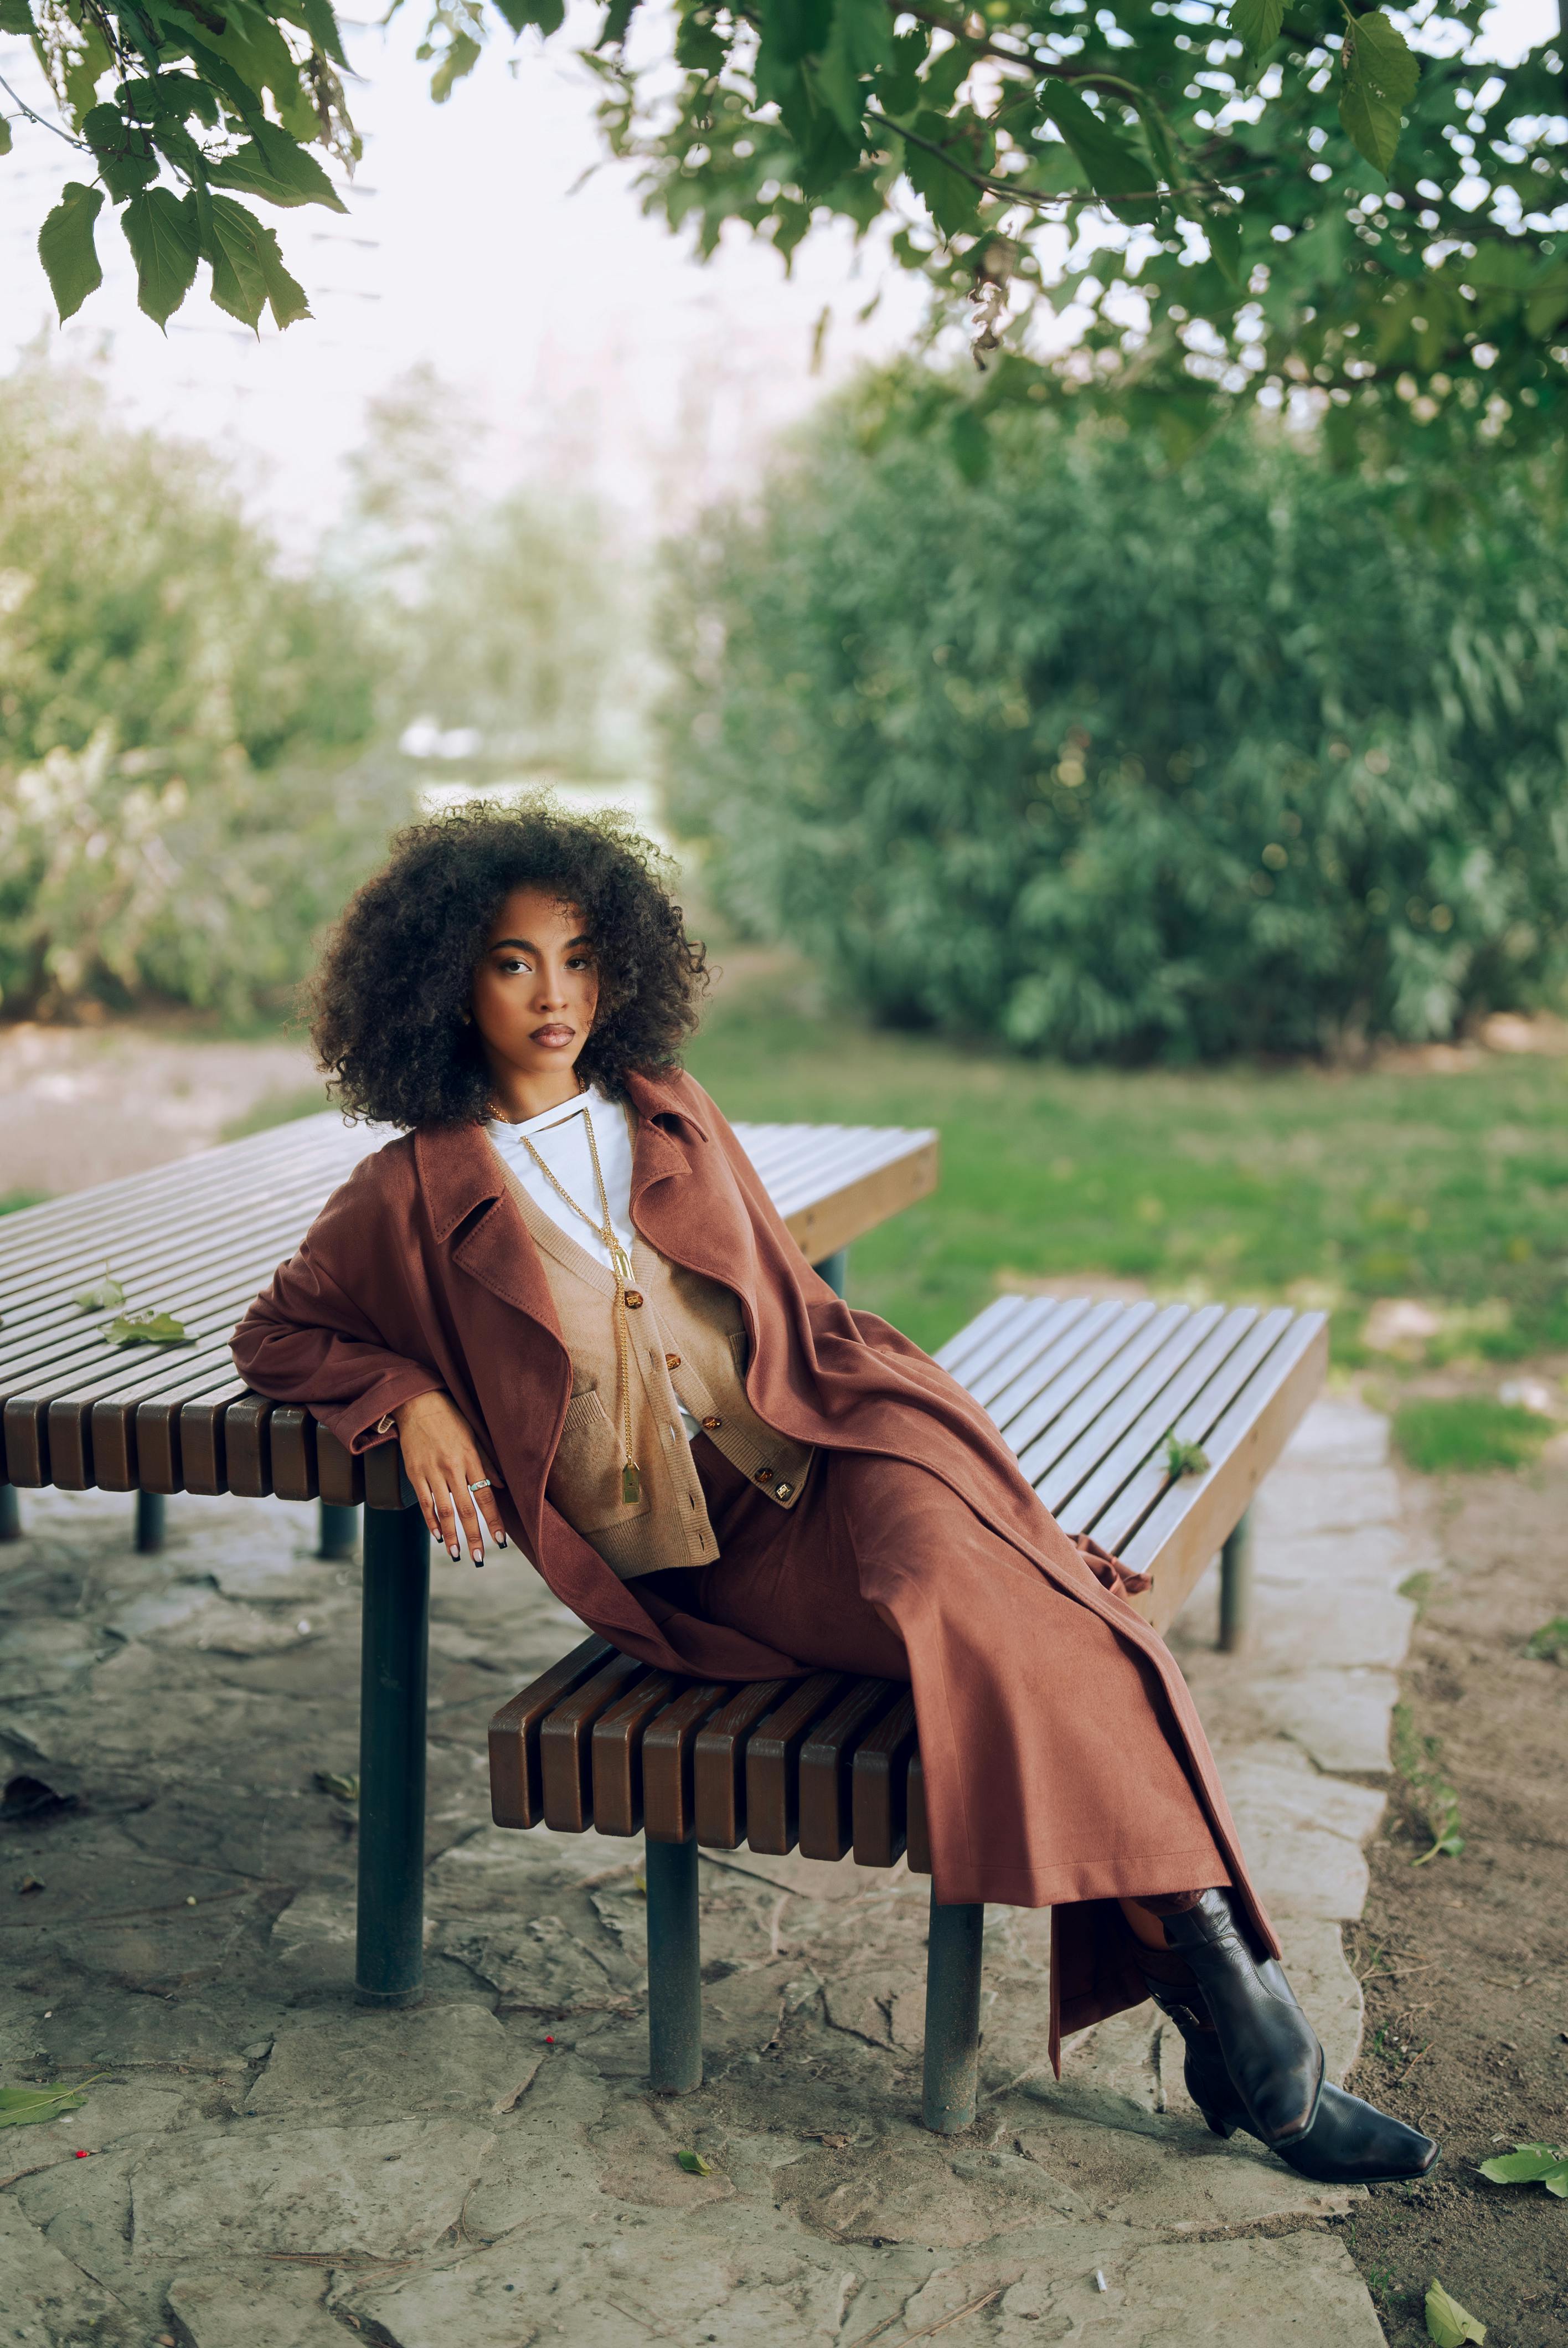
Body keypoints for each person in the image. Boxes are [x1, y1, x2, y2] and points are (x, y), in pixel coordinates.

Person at [231, 803, 1435, 2186]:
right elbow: (278, 1332)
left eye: (578, 956)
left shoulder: (668, 1104)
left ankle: (1236, 2007)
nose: (556, 995)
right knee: (1025, 1625)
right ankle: (1241, 2023)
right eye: (514, 962)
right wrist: (413, 1399)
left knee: (978, 1590)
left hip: (837, 1452)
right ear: (447, 978)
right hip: (708, 1556)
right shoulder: (403, 1197)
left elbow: (794, 1315)